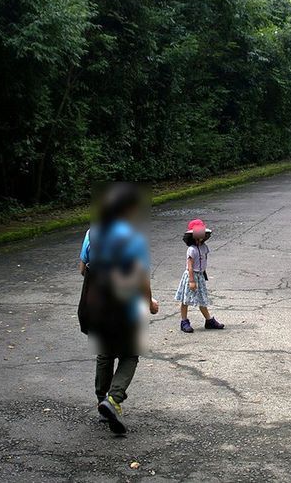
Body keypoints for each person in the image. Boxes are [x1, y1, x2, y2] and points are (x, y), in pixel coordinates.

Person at [79, 183, 159, 435]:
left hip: (96, 300)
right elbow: (142, 278)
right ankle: (112, 400)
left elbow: (83, 269)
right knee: (130, 353)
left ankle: (101, 399)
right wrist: (150, 303)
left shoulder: (92, 232)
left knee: (105, 351)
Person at [174, 218, 224, 333]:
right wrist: (192, 281)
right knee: (185, 299)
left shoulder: (204, 247)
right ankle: (184, 321)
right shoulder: (191, 249)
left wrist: (202, 274)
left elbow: (203, 260)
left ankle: (209, 320)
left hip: (200, 276)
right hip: (191, 276)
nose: (201, 237)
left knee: (202, 299)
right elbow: (190, 266)